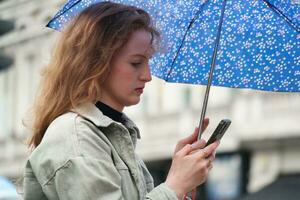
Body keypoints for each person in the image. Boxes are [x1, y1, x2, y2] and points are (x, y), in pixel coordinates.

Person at [23, 2, 219, 200]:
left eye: (148, 62)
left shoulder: (110, 135)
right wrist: (175, 185)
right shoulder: (77, 138)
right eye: (136, 63)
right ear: (96, 62)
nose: (147, 76)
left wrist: (181, 181)